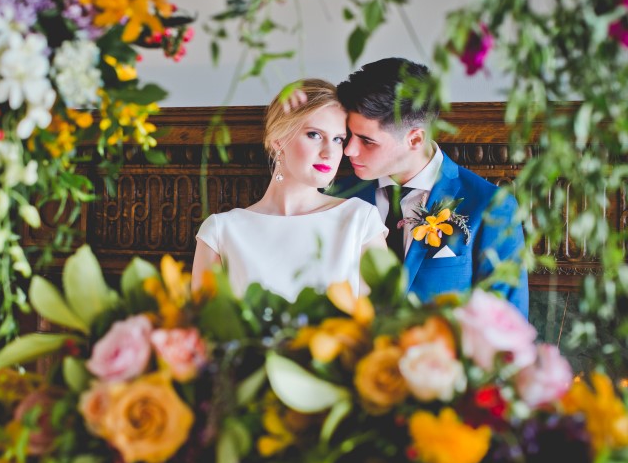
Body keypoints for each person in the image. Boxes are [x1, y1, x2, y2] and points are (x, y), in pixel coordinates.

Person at [334, 57, 529, 317]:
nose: (348, 150)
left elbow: (508, 322)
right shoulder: (336, 196)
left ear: (415, 139)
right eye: (348, 135)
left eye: (367, 141)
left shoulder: (491, 206)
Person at [191, 79, 387, 301]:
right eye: (314, 135)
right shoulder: (220, 231)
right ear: (278, 140)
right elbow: (204, 326)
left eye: (338, 139)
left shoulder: (360, 220)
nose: (329, 152)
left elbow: (379, 321)